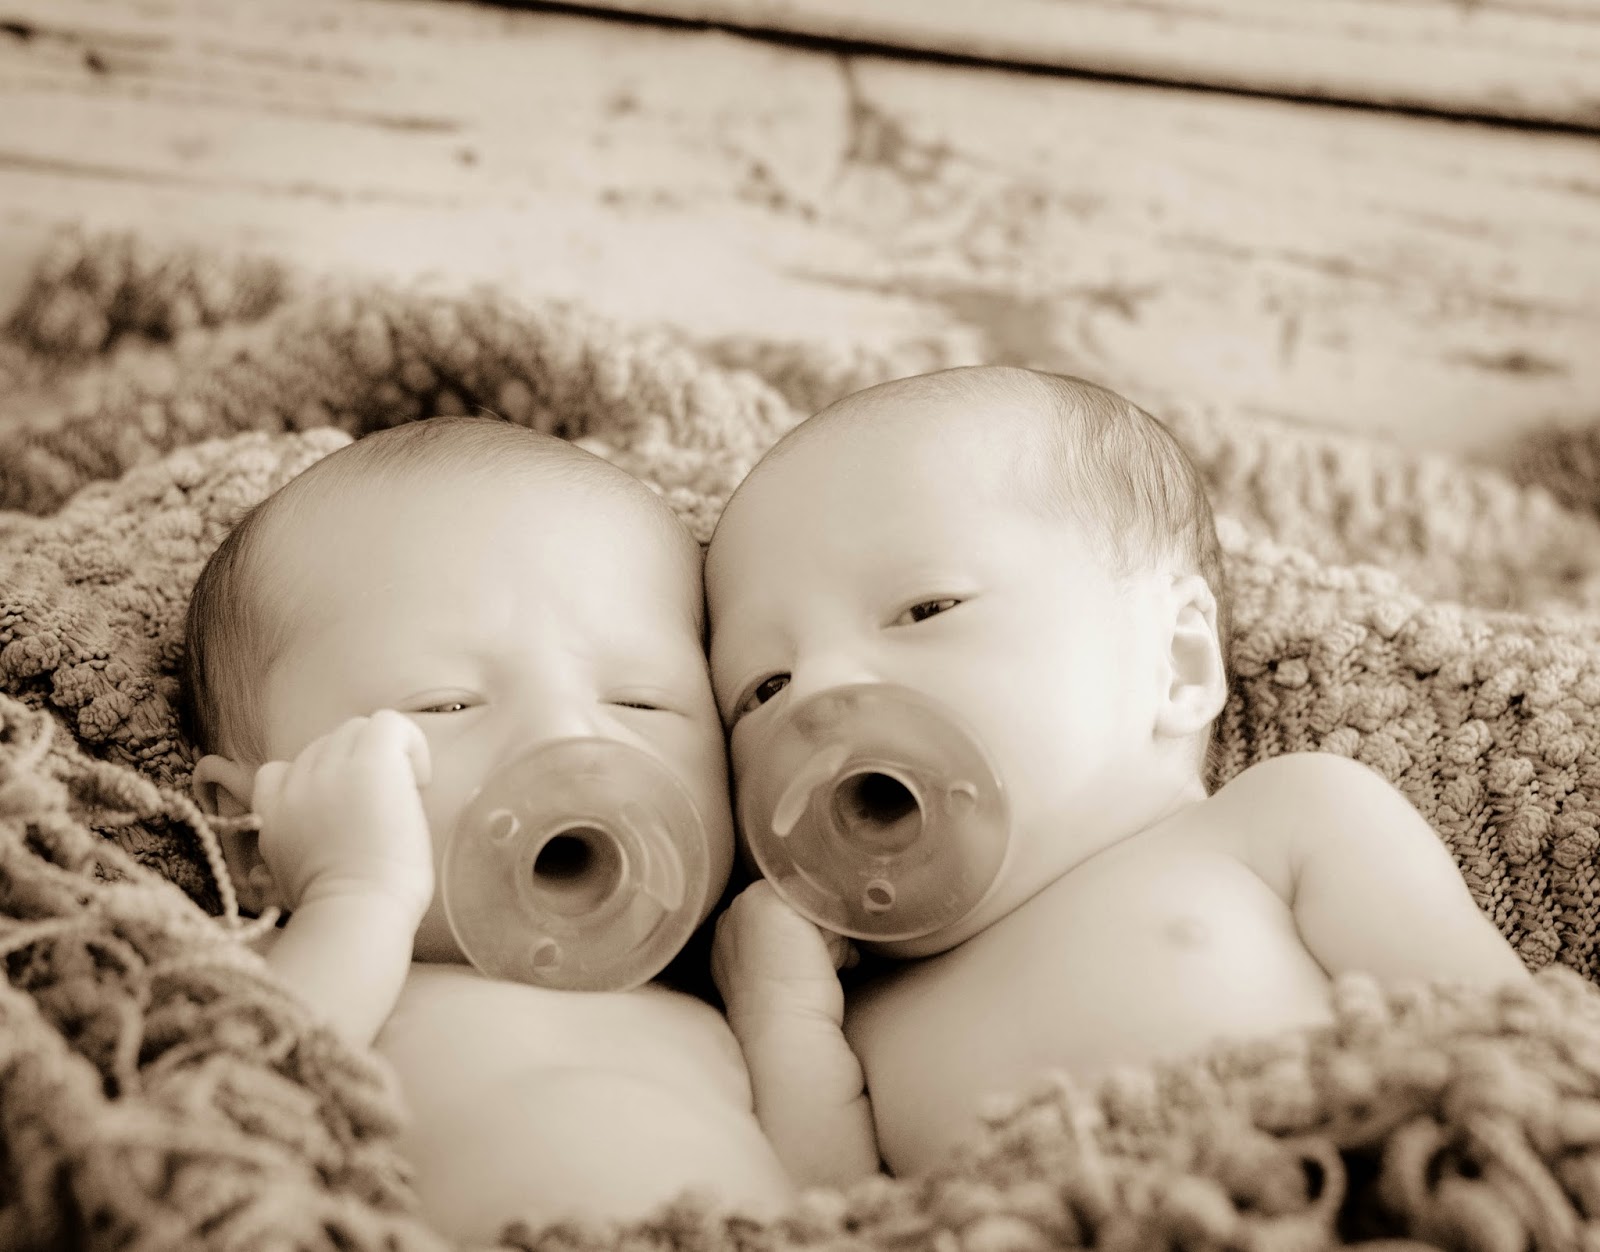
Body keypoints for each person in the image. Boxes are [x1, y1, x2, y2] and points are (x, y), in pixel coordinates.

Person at [703, 365, 1532, 1188]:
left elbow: (1520, 1054)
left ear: (1177, 660)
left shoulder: (1282, 823)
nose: (815, 695)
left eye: (926, 610)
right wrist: (782, 1017)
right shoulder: (859, 1013)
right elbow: (831, 1216)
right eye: (762, 688)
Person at [179, 416, 793, 1241]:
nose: (567, 738)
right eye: (448, 705)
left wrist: (789, 1019)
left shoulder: (716, 1006)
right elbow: (209, 1123)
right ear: (252, 835)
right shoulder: (321, 971)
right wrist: (354, 897)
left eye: (641, 702)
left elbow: (846, 1193)